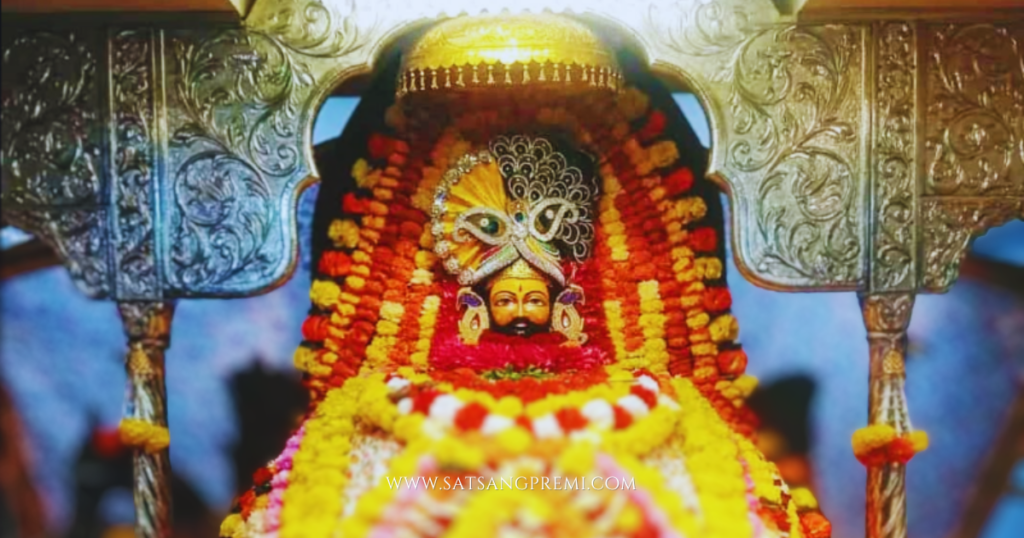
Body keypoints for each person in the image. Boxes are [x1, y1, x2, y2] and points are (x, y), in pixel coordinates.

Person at [220, 13, 831, 538]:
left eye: (531, 296)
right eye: (505, 296)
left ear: (565, 295)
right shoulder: (403, 387)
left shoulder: (643, 389)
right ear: (474, 303)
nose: (518, 309)